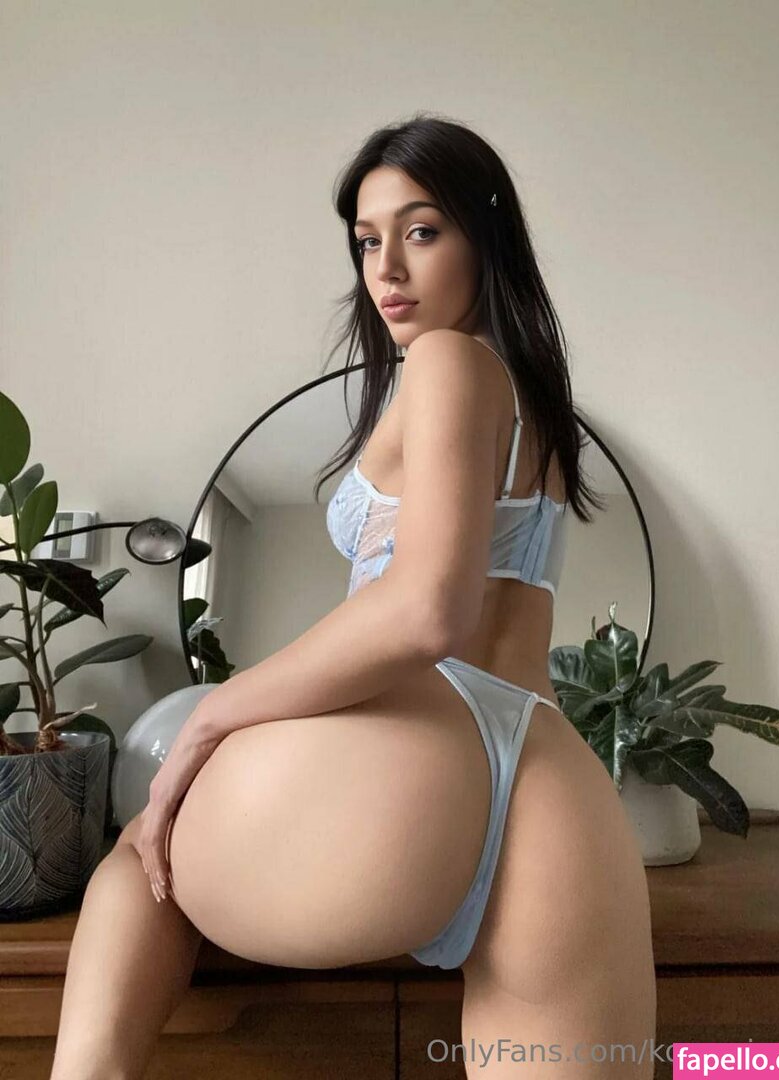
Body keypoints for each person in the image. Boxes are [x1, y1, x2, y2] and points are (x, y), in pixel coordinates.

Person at [50, 113, 656, 1079]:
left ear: (485, 235)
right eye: (368, 242)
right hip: (548, 785)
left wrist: (213, 718)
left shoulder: (448, 361)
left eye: (421, 231)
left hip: (409, 767)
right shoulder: (535, 404)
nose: (387, 270)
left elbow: (425, 613)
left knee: (136, 862)